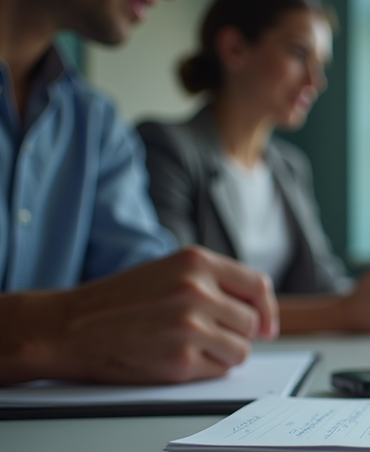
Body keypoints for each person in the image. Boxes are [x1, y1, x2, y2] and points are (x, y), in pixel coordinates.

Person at [0, 0, 279, 386]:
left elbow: (150, 294)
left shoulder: (96, 124)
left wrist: (186, 308)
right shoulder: (164, 143)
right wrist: (51, 332)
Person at [138, 0, 370, 335]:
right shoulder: (165, 148)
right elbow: (177, 297)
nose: (315, 81)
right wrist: (342, 313)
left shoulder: (290, 167)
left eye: (320, 64)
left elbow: (323, 288)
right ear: (234, 48)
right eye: (298, 54)